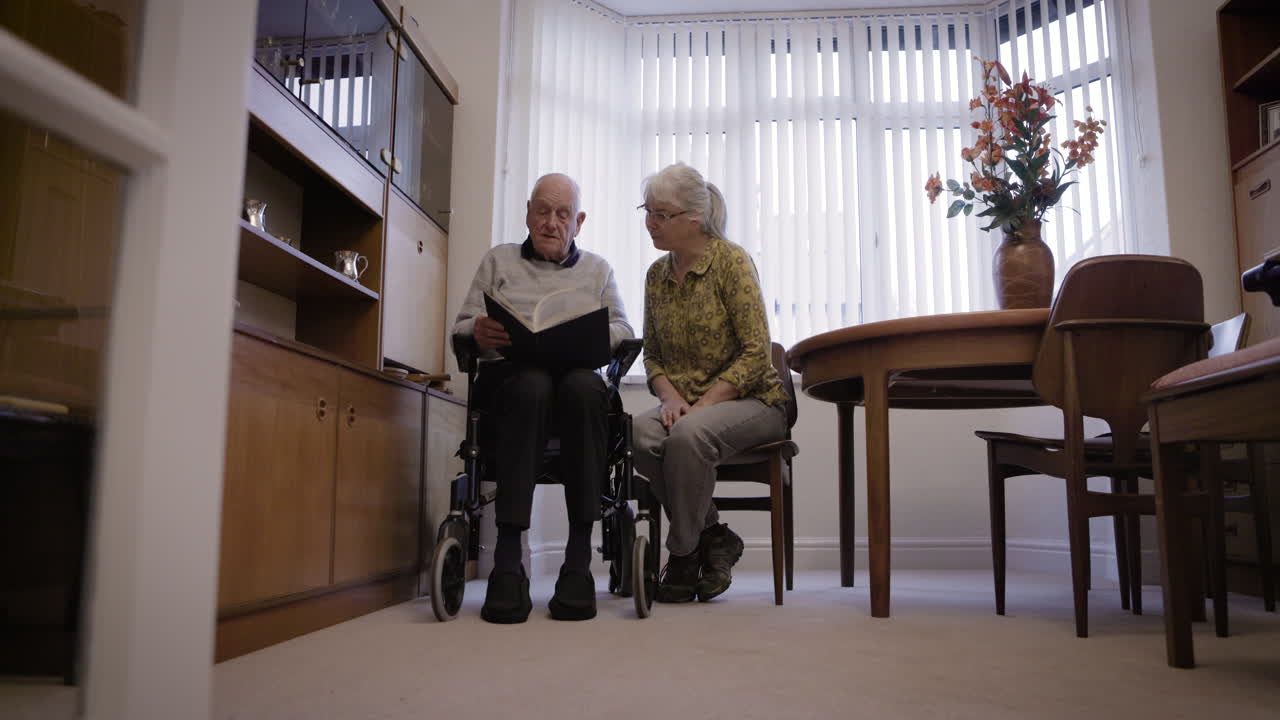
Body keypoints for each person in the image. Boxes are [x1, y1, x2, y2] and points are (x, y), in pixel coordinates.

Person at [452, 173, 634, 623]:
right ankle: (508, 562)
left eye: (563, 214)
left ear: (579, 222)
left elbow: (624, 331)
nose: (551, 223)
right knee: (531, 384)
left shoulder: (598, 270)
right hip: (512, 387)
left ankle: (578, 561)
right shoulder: (498, 261)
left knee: (584, 386)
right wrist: (475, 329)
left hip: (575, 387)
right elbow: (461, 327)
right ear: (528, 212)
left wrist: (595, 336)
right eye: (542, 211)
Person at [632, 162, 790, 604]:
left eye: (662, 214)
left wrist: (700, 409)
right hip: (689, 407)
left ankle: (682, 556)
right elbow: (653, 356)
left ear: (694, 219)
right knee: (640, 435)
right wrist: (671, 399)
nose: (651, 223)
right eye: (648, 211)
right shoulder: (655, 277)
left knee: (687, 436)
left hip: (756, 401)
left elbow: (757, 353)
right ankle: (715, 536)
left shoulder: (730, 262)